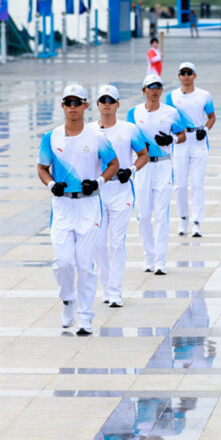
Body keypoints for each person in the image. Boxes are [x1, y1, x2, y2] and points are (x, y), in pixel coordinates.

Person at [37, 85, 119, 335]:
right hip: (62, 207)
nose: (72, 106)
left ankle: (85, 317)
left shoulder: (98, 138)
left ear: (85, 105)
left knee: (84, 265)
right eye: (68, 102)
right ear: (62, 106)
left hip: (89, 205)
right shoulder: (50, 137)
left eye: (77, 102)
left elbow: (113, 163)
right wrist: (52, 184)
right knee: (62, 262)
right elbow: (42, 168)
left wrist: (99, 181)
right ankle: (68, 299)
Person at [90, 85, 149, 308]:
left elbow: (143, 154)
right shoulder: (88, 130)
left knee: (116, 242)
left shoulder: (130, 129)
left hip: (121, 190)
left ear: (117, 104)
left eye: (111, 100)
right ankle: (106, 286)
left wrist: (132, 169)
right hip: (97, 193)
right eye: (102, 99)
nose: (106, 103)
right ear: (97, 104)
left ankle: (115, 291)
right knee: (98, 244)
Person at [128, 75, 188, 275]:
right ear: (144, 89)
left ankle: (161, 261)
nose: (155, 90)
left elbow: (182, 136)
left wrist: (170, 138)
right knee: (144, 215)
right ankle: (149, 256)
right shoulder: (133, 113)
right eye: (151, 87)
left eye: (158, 87)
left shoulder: (172, 112)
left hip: (163, 165)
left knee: (162, 215)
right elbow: (129, 137)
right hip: (143, 167)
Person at [165, 62, 216, 237]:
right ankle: (183, 217)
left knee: (197, 183)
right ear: (179, 76)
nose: (186, 76)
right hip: (180, 140)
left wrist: (206, 130)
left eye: (189, 73)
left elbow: (211, 117)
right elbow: (166, 118)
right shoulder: (171, 96)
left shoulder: (204, 95)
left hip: (199, 140)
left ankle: (196, 221)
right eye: (182, 73)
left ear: (195, 75)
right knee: (180, 184)